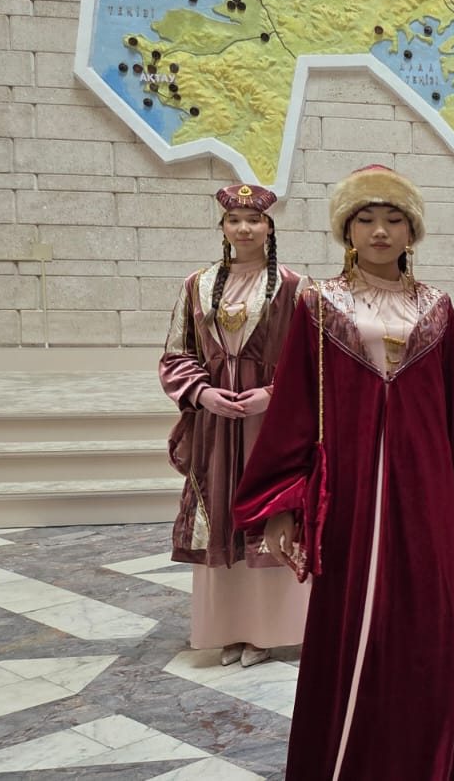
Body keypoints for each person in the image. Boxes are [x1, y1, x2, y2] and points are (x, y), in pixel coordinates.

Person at [232, 165, 454, 780]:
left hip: (424, 484)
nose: (380, 231)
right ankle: (346, 754)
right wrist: (284, 500)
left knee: (427, 614)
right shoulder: (320, 304)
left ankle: (428, 753)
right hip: (347, 485)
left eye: (394, 219)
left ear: (412, 231)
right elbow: (296, 405)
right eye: (366, 219)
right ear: (346, 229)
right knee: (350, 614)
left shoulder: (436, 307)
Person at [160, 184, 309, 669]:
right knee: (221, 515)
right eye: (234, 220)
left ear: (270, 227)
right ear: (222, 227)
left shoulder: (296, 287)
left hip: (272, 425)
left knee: (269, 514)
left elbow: (313, 360)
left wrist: (272, 394)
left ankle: (268, 631)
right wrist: (203, 394)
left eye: (254, 219)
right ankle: (229, 629)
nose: (244, 228)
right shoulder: (196, 285)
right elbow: (177, 354)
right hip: (216, 428)